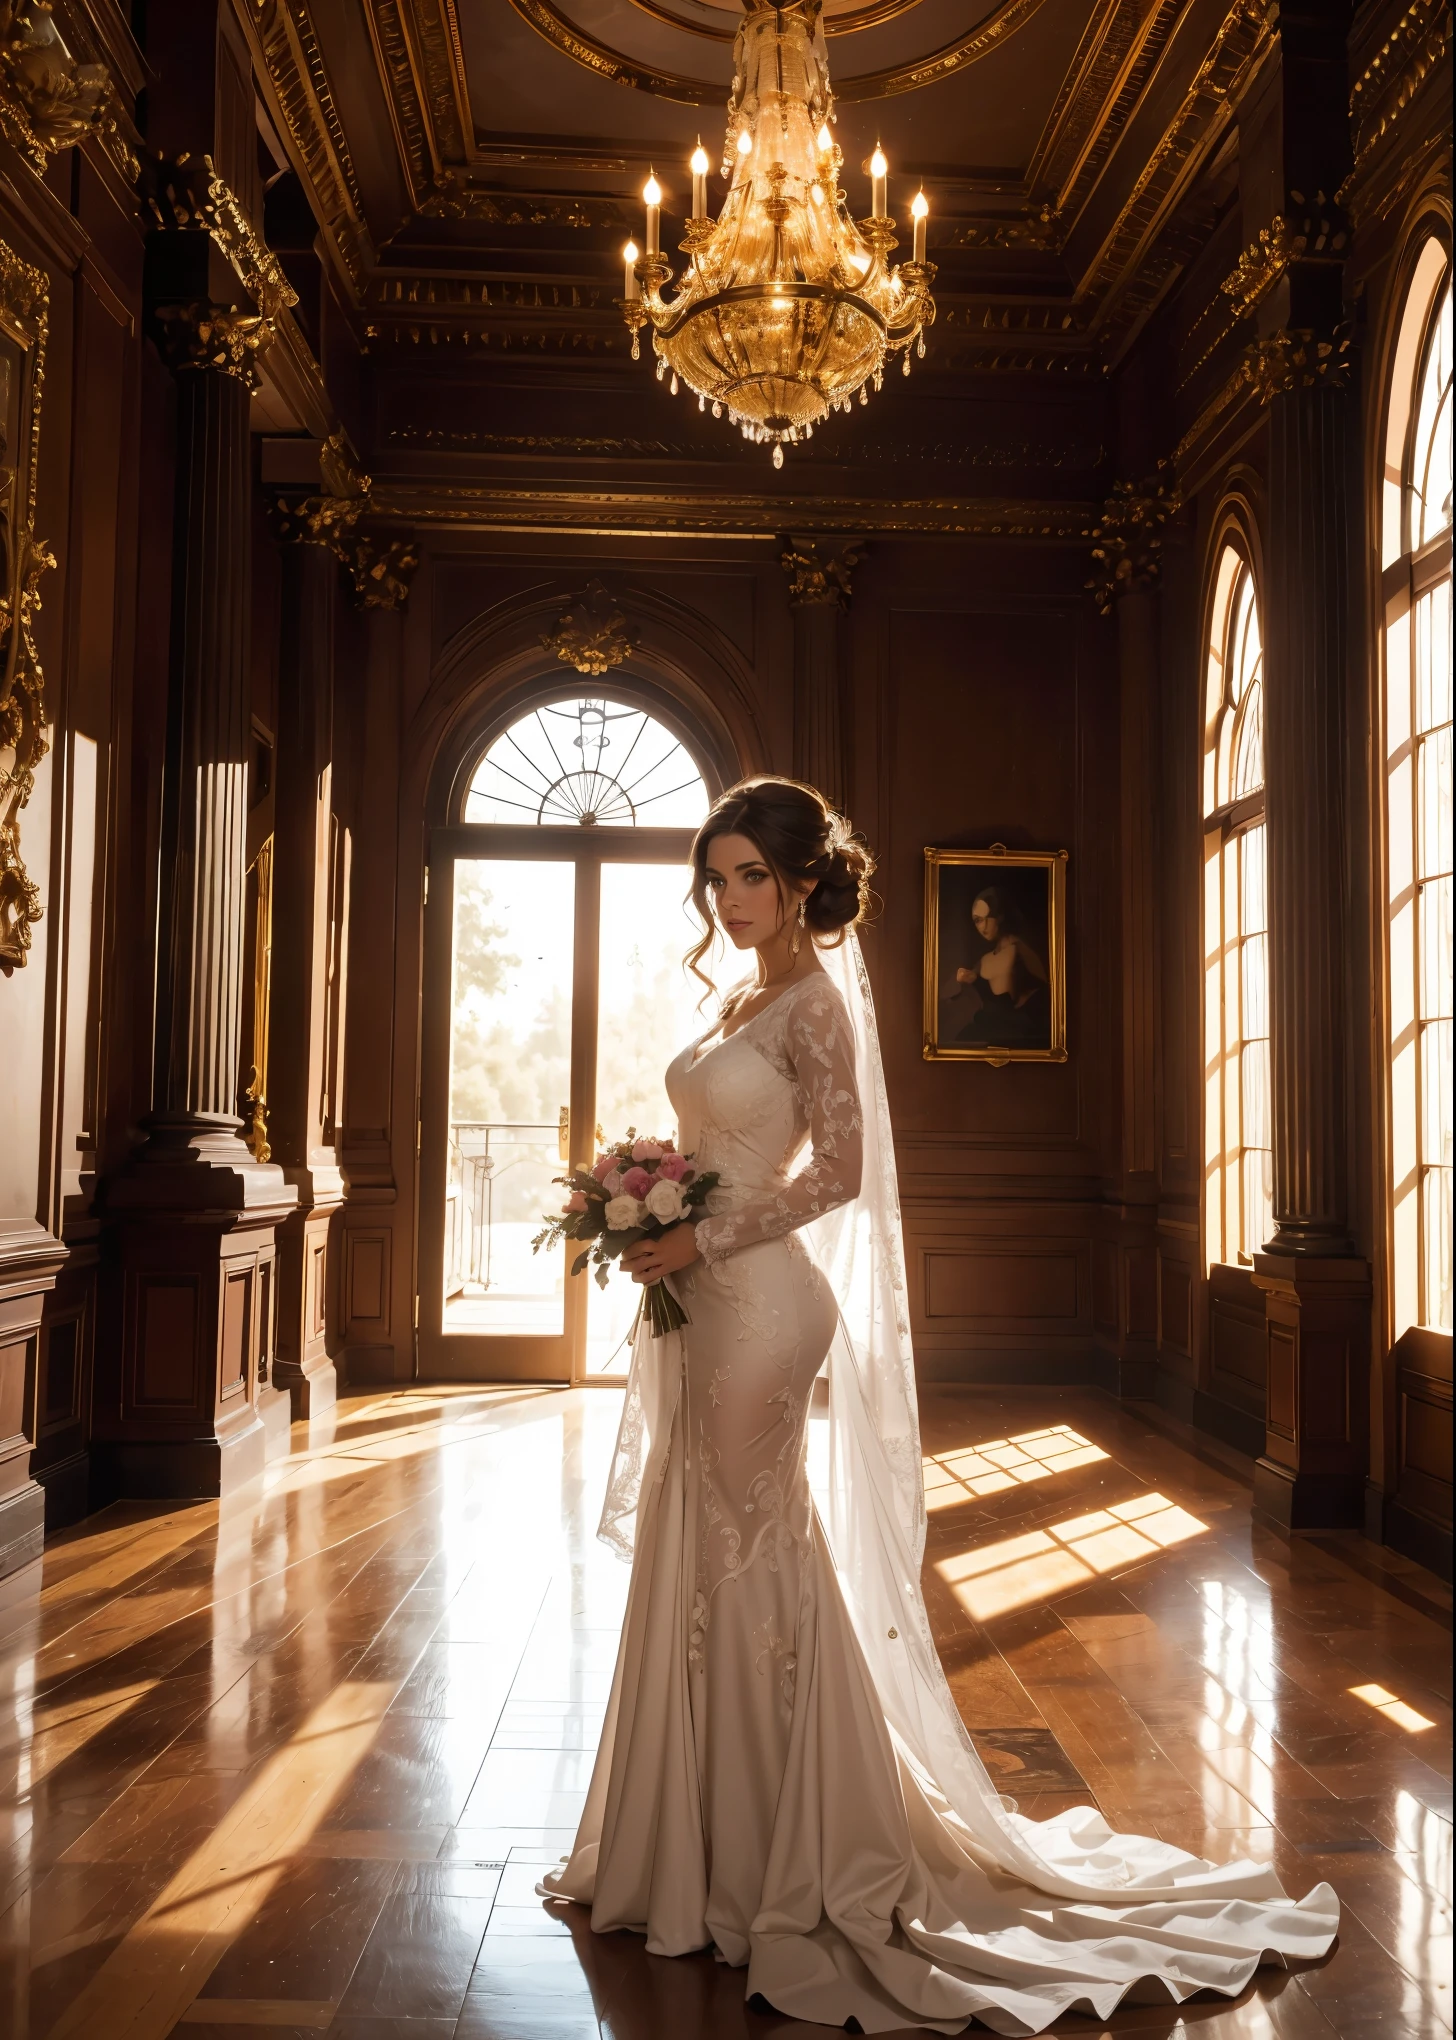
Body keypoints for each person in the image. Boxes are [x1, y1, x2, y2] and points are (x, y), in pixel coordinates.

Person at [541, 777, 1337, 2033]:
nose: (732, 899)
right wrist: (654, 1199)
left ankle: (781, 1848)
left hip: (763, 1308)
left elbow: (843, 1177)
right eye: (719, 877)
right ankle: (682, 1839)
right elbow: (732, 1150)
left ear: (803, 882)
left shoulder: (813, 1007)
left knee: (751, 1546)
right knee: (703, 1546)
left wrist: (700, 1237)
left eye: (751, 874)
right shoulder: (739, 996)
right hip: (706, 1299)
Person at [951, 885, 1049, 1048]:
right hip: (989, 1030)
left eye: (983, 919)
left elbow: (1046, 991)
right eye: (976, 921)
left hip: (1018, 1035)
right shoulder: (985, 959)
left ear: (1000, 916)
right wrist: (968, 978)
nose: (981, 927)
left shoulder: (1020, 950)